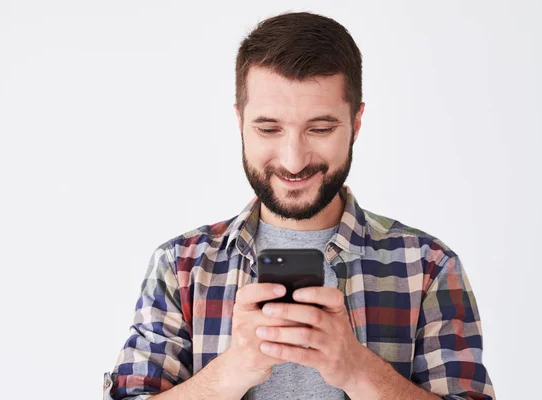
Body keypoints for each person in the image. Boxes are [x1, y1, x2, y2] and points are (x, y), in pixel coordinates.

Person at [103, 11, 496, 400]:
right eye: (268, 129)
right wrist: (231, 372)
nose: (293, 161)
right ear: (240, 121)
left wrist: (358, 371)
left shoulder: (427, 267)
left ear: (356, 124)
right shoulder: (181, 266)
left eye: (320, 129)